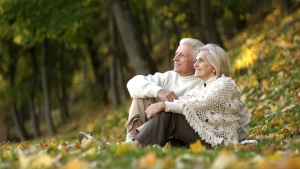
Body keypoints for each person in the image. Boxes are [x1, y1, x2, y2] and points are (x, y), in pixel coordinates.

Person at [131, 44, 250, 147]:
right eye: (196, 60)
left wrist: (164, 105)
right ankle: (133, 142)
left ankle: (133, 146)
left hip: (218, 142)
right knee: (168, 112)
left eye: (200, 61)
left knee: (170, 114)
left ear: (214, 67)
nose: (195, 65)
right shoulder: (200, 87)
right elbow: (182, 102)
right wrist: (164, 106)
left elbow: (202, 104)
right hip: (202, 135)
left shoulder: (224, 84)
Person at [125, 38, 204, 143]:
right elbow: (133, 83)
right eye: (176, 54)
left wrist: (162, 106)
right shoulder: (169, 76)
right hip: (157, 124)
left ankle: (133, 143)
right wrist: (159, 91)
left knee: (166, 113)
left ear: (196, 62)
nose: (175, 58)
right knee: (141, 96)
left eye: (182, 55)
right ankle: (130, 139)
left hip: (179, 132)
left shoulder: (202, 82)